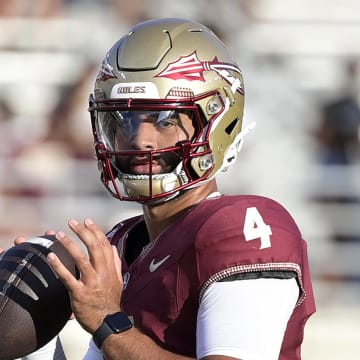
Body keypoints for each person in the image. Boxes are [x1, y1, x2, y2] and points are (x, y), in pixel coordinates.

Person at [6, 18, 316, 360]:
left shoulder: (245, 227)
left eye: (165, 119)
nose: (140, 139)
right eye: (124, 120)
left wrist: (108, 321)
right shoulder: (122, 244)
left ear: (217, 121)